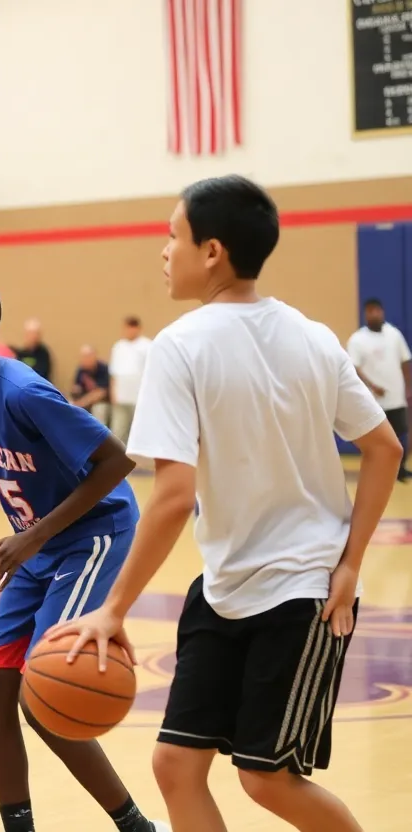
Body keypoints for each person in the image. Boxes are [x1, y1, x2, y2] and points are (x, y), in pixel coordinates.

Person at [48, 175, 404, 832]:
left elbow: (173, 496)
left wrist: (114, 608)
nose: (163, 250)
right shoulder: (314, 334)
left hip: (302, 594)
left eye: (172, 235)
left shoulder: (180, 346)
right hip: (222, 587)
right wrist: (353, 561)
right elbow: (385, 448)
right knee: (175, 765)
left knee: (266, 779)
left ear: (211, 250)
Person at [0, 276, 166, 832]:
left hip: (91, 536)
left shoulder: (25, 392)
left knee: (45, 695)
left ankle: (135, 826)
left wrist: (30, 537)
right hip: (34, 546)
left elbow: (117, 462)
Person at [347, 298, 411, 481]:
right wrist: (372, 386)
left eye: (377, 310)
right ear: (365, 314)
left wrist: (408, 387)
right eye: (370, 311)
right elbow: (354, 368)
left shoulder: (394, 335)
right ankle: (378, 472)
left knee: (400, 434)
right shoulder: (358, 339)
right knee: (376, 439)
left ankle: (401, 469)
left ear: (382, 312)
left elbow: (405, 360)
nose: (374, 314)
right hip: (372, 399)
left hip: (395, 397)